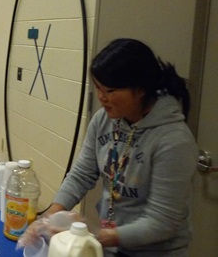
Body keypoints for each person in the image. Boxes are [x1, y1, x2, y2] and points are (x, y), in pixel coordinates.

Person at [20, 39, 198, 256]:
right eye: (98, 88)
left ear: (140, 89)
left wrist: (89, 237)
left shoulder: (173, 140)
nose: (102, 98)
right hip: (112, 246)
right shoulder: (103, 120)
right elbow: (81, 174)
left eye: (110, 90)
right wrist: (49, 217)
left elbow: (160, 222)